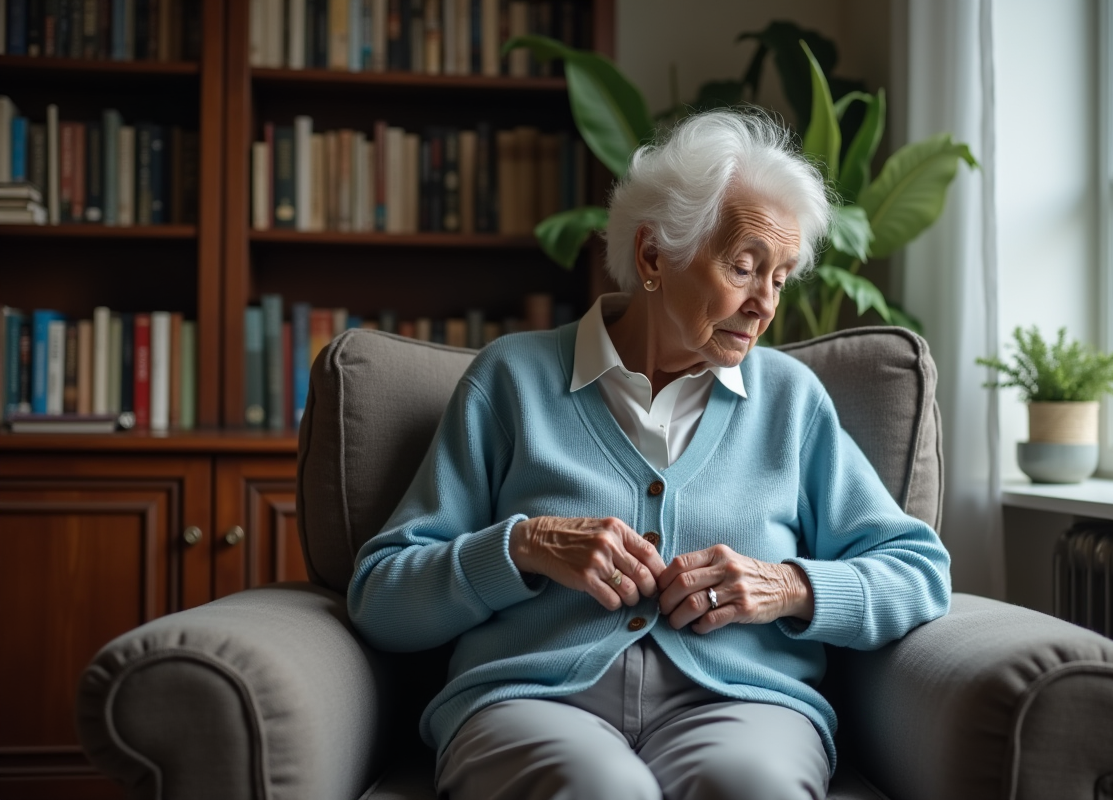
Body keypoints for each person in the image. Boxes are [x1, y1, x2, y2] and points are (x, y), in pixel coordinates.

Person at [347, 109, 952, 800]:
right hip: (535, 703)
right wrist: (523, 547)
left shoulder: (791, 401)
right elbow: (380, 598)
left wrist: (785, 587)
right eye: (745, 267)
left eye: (781, 278)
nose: (764, 304)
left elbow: (919, 571)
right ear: (653, 256)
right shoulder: (511, 381)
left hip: (744, 710)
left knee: (752, 787)